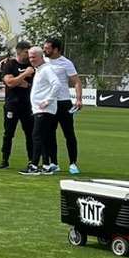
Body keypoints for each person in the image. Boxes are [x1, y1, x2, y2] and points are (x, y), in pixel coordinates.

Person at [22, 46, 65, 176]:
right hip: (39, 110)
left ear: (41, 57)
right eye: (30, 57)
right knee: (44, 137)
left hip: (45, 110)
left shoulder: (46, 69)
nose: (31, 59)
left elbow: (57, 84)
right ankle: (47, 165)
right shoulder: (40, 70)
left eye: (34, 57)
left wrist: (48, 100)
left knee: (37, 136)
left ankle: (34, 165)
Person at [43, 37, 82, 174]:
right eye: (44, 48)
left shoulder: (66, 63)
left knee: (69, 133)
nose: (45, 50)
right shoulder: (43, 61)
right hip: (49, 103)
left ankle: (73, 163)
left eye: (48, 48)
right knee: (49, 133)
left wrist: (79, 99)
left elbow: (76, 81)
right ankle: (54, 163)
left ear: (56, 49)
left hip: (64, 102)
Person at [0, 42, 35, 170]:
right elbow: (9, 82)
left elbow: (31, 85)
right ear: (19, 52)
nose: (29, 54)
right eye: (27, 52)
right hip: (11, 105)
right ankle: (4, 160)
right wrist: (24, 75)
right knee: (8, 133)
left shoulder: (33, 65)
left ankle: (32, 161)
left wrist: (17, 81)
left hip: (28, 105)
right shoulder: (9, 64)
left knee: (30, 134)